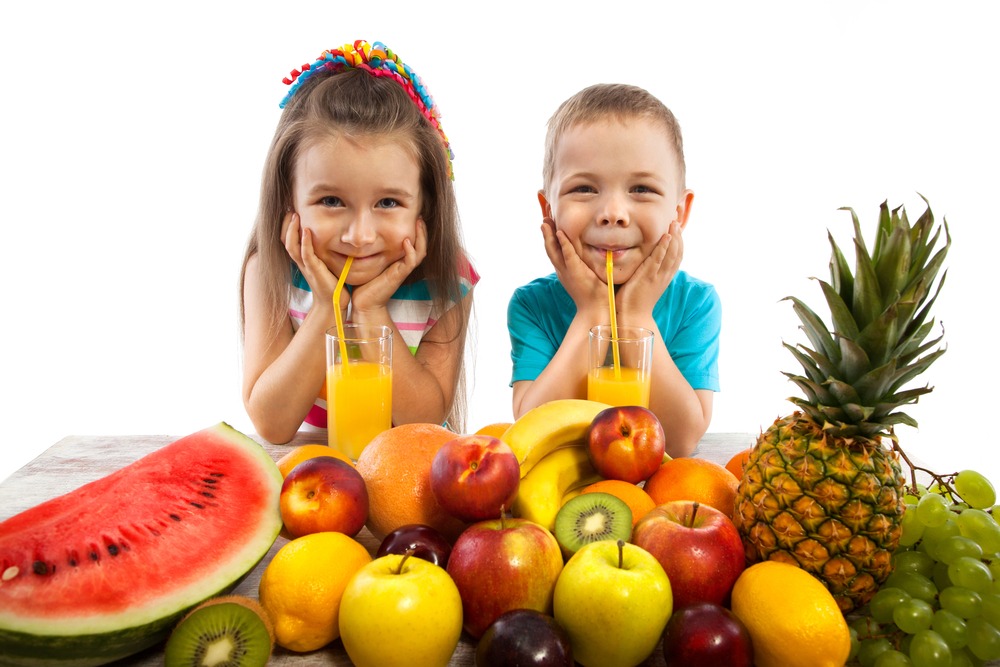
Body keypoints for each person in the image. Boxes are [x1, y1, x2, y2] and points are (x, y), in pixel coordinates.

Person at [240, 40, 478, 444]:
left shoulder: (447, 279)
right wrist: (325, 308)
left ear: (425, 205)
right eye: (331, 201)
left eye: (388, 203)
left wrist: (370, 310)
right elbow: (273, 425)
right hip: (314, 471)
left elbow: (421, 422)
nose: (360, 236)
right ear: (288, 198)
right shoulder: (270, 271)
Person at [507, 83, 720, 457]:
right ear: (548, 210)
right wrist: (592, 313)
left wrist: (636, 315)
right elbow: (531, 432)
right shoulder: (533, 305)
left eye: (641, 189)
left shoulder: (695, 303)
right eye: (585, 189)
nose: (613, 213)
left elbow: (681, 440)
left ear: (679, 213)